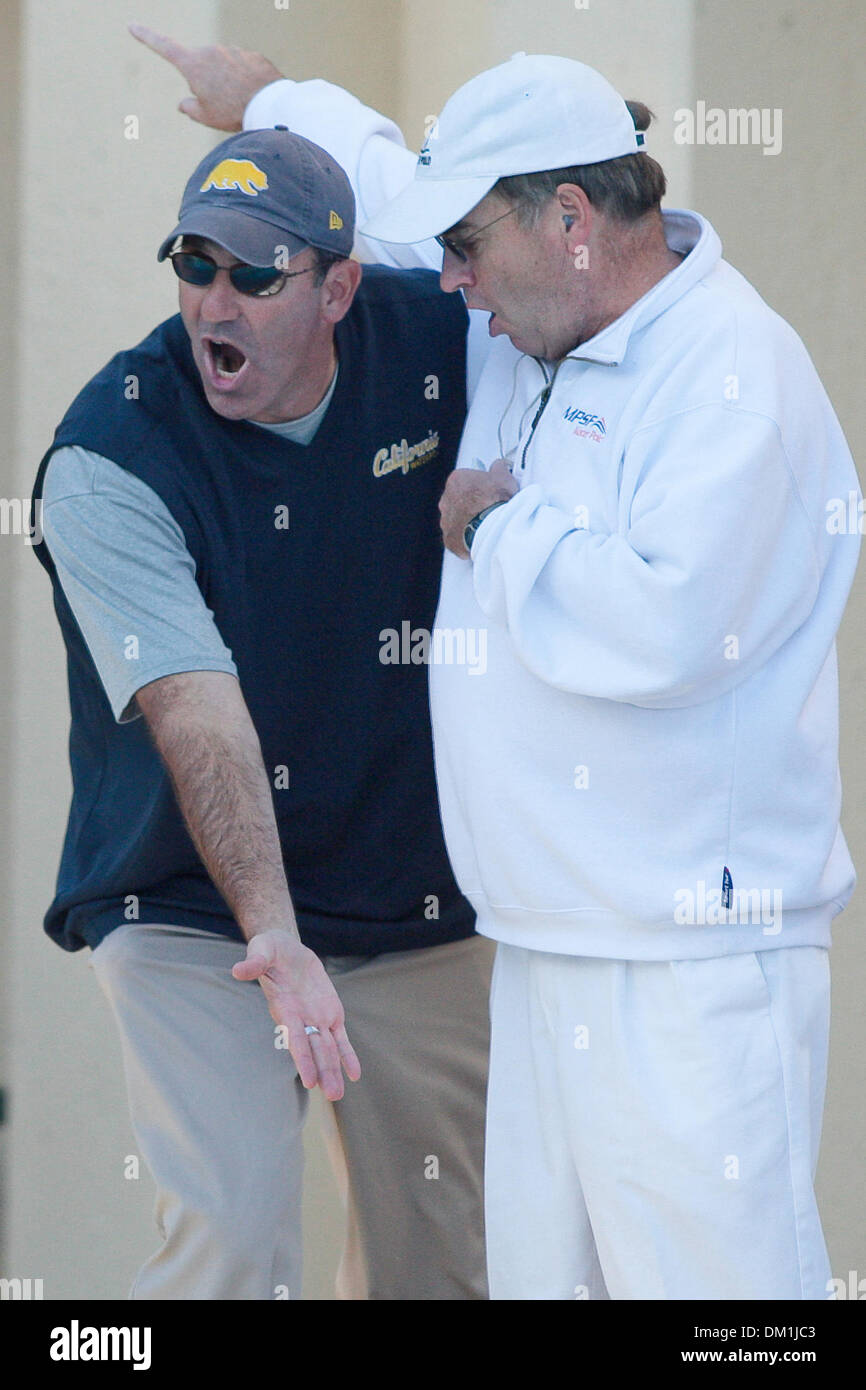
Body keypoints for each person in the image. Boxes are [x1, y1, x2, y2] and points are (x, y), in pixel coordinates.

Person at [138, 31, 863, 1299]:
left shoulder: (730, 380)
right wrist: (266, 99)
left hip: (685, 971)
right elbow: (387, 188)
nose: (450, 280)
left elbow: (661, 628)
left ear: (571, 219)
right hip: (538, 948)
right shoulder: (520, 314)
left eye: (466, 249)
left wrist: (495, 523)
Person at [32, 120, 496, 1300]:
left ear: (339, 287)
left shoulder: (439, 343)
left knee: (441, 1263)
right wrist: (275, 937)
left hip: (408, 891)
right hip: (190, 899)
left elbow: (601, 317)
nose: (213, 305)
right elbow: (198, 716)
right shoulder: (110, 456)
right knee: (233, 1241)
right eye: (193, 266)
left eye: (252, 275)